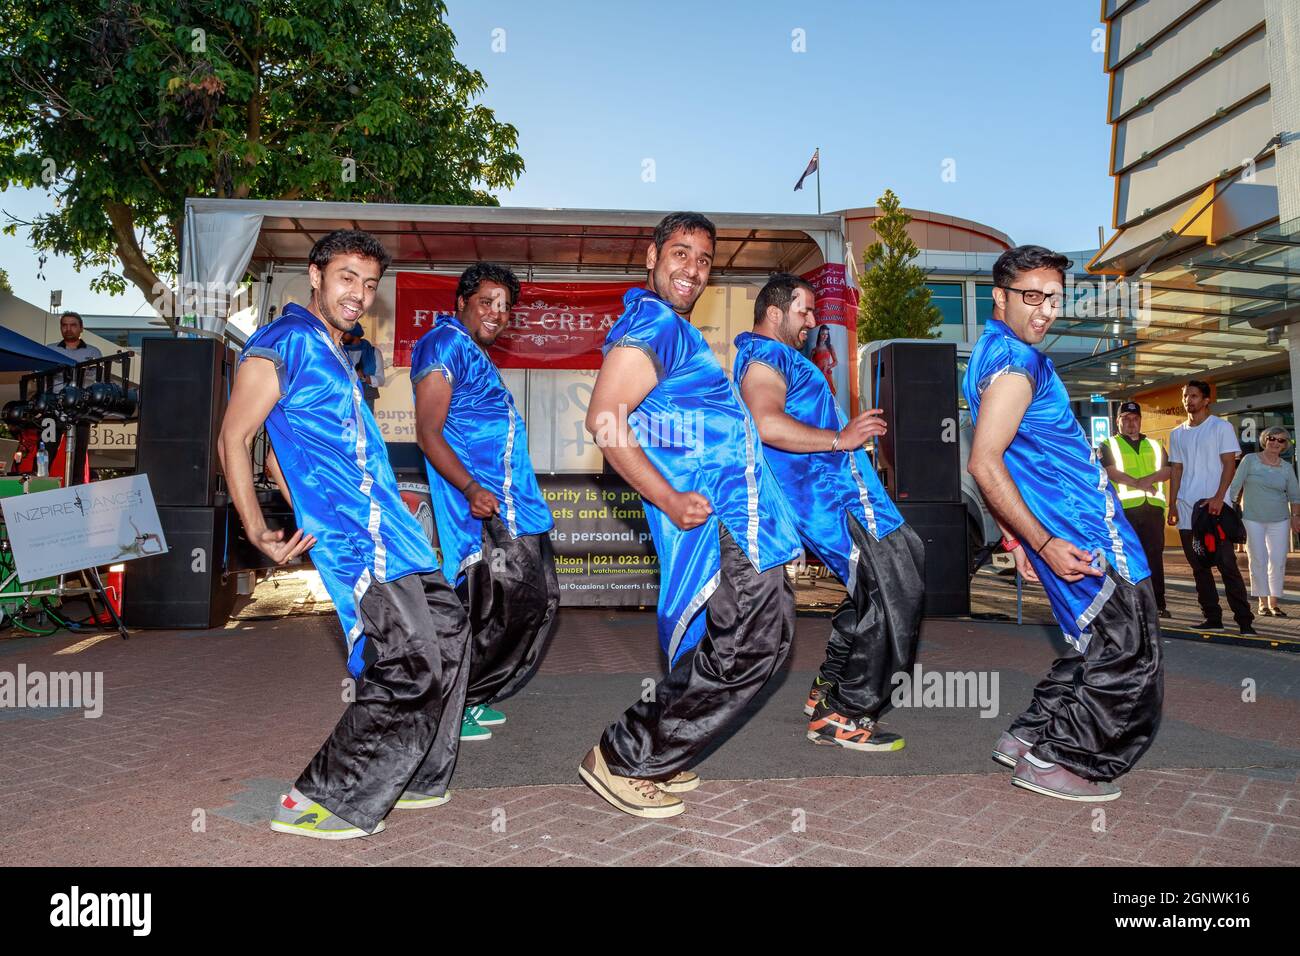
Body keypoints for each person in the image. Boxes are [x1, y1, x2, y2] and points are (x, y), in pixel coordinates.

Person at [219, 229, 473, 840]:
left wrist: (289, 485)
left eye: (369, 284)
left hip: (392, 529)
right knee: (409, 660)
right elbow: (235, 438)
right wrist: (258, 527)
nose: (358, 294)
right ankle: (321, 800)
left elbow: (286, 450)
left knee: (451, 631)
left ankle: (413, 775)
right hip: (354, 536)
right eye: (346, 279)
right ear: (315, 275)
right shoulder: (281, 342)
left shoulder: (338, 350)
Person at [578, 212, 803, 819]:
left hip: (743, 516)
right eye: (680, 253)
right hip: (718, 518)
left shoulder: (674, 329)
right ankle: (626, 755)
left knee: (758, 640)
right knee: (753, 644)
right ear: (651, 257)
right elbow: (605, 421)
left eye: (703, 260)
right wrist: (669, 498)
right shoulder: (651, 322)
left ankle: (661, 752)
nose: (692, 269)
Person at [965, 245, 1162, 803]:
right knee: (1130, 654)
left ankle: (1030, 738)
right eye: (1032, 296)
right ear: (999, 297)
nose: (1046, 309)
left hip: (1064, 531)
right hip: (1084, 534)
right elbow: (984, 461)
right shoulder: (1017, 363)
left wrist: (1017, 537)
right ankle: (1062, 761)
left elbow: (1011, 459)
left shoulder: (991, 353)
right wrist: (1043, 541)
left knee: (1096, 647)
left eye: (1054, 297)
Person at [735, 272, 923, 751]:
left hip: (844, 497)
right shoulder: (767, 355)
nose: (813, 321)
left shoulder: (779, 358)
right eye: (806, 311)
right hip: (835, 501)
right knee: (897, 587)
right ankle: (845, 713)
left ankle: (832, 687)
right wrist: (843, 438)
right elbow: (767, 424)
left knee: (878, 591)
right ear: (775, 313)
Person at [411, 262, 559, 743]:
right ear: (461, 302)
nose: (497, 313)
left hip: (513, 506)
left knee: (531, 601)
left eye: (504, 306)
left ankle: (470, 696)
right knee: (505, 607)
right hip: (486, 512)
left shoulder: (471, 351)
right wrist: (473, 488)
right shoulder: (445, 344)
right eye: (486, 302)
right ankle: (456, 700)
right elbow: (429, 434)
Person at [1167, 380, 1256, 634]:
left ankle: (1244, 622)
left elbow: (1229, 463)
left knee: (1228, 566)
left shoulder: (1221, 427)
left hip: (1214, 510)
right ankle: (1213, 619)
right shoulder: (1177, 433)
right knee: (1199, 568)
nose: (1188, 400)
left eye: (1194, 396)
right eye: (1185, 396)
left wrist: (1219, 497)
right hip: (1186, 511)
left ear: (1206, 400)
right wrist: (1172, 504)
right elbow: (1176, 470)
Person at [1099, 401, 1171, 618]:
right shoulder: (1107, 444)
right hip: (1124, 511)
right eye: (1126, 419)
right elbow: (1111, 472)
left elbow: (1167, 471)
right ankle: (1129, 604)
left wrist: (1144, 481)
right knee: (1126, 558)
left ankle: (1158, 604)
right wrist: (1139, 483)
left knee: (1154, 557)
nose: (1131, 423)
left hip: (1152, 509)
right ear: (1118, 422)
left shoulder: (1155, 445)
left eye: (1135, 419)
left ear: (1140, 420)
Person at [1226, 425, 1300, 617]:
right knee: (1258, 559)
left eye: (1281, 440)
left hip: (1280, 520)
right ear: (1264, 439)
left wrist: (1295, 517)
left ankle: (1274, 603)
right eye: (1272, 438)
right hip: (1252, 519)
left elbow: (1294, 495)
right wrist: (1227, 508)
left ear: (1284, 446)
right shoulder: (1250, 460)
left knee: (1277, 560)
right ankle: (1262, 603)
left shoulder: (1286, 467)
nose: (1275, 442)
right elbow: (1235, 485)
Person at [47, 311, 102, 391]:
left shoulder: (94, 352)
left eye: (73, 325)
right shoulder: (50, 350)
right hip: (54, 400)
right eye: (64, 325)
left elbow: (98, 381)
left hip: (85, 400)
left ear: (81, 328)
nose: (68, 329)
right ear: (60, 328)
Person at [341, 322, 384, 410]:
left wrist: (364, 377)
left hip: (366, 402)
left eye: (345, 333)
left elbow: (381, 380)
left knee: (365, 424)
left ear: (354, 334)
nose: (341, 335)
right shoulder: (340, 352)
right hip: (343, 399)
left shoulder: (374, 352)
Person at [811, 325, 837, 396]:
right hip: (818, 375)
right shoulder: (814, 350)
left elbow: (836, 362)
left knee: (829, 395)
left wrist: (828, 367)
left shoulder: (830, 347)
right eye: (823, 334)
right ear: (819, 334)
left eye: (827, 334)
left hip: (827, 374)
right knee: (819, 395)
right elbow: (811, 365)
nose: (825, 336)